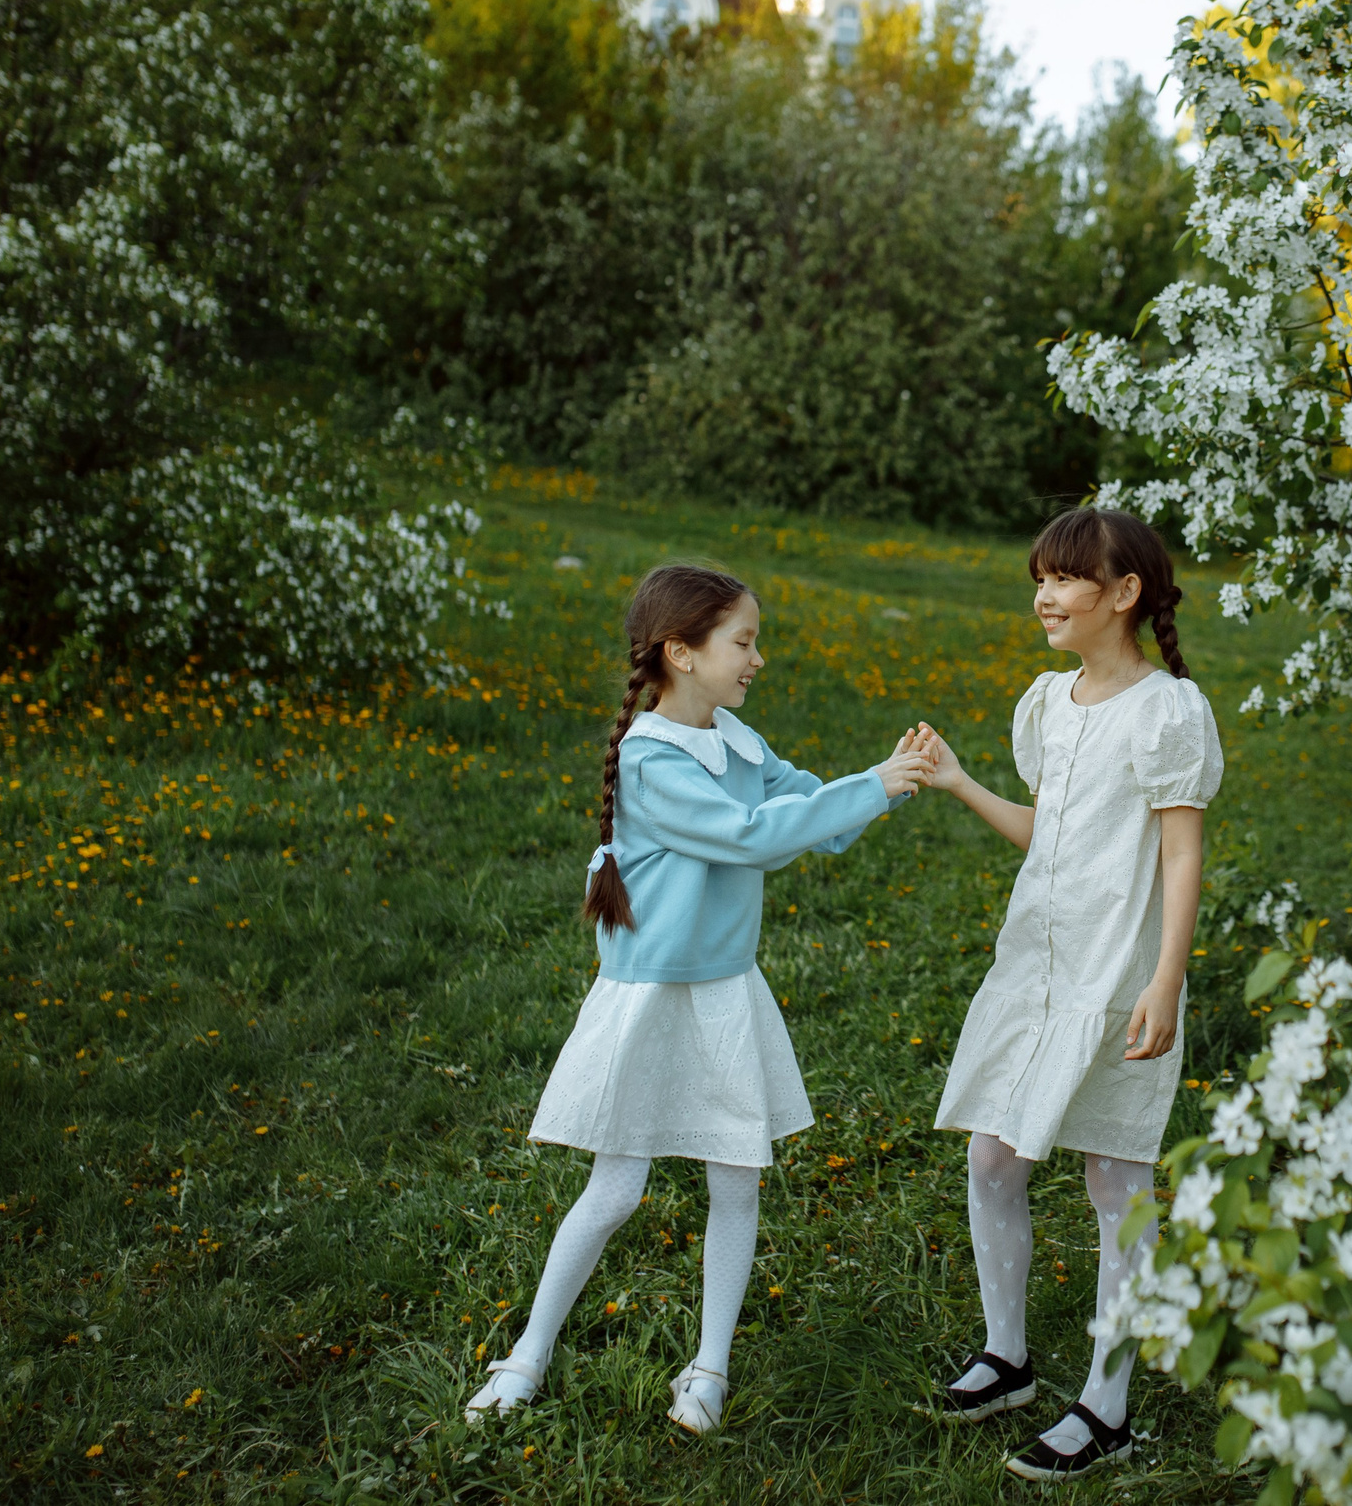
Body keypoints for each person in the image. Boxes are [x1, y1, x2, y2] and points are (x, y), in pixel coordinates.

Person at [464, 563, 934, 1434]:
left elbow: (814, 817)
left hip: (724, 994)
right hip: (651, 997)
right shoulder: (651, 759)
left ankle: (710, 1367)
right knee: (616, 1189)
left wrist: (891, 778)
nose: (758, 658)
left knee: (736, 1180)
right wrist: (873, 783)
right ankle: (528, 1352)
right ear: (681, 653)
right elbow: (748, 835)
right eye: (743, 642)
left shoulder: (738, 740)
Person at [910, 506, 1223, 1481]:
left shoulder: (1167, 710)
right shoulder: (1049, 702)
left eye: (1064, 579)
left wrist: (1166, 977)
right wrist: (961, 782)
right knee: (991, 1156)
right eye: (1038, 578)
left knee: (1115, 1179)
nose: (1044, 595)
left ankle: (1107, 1404)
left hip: (1118, 975)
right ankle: (1006, 1358)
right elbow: (1044, 832)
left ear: (1123, 593)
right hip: (1036, 970)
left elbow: (1180, 853)